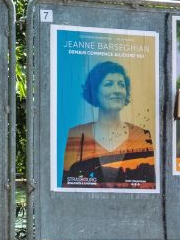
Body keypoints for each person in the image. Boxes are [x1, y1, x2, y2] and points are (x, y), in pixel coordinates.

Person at [61, 60, 155, 188]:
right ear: (94, 91)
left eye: (121, 85)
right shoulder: (76, 134)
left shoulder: (143, 134)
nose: (117, 90)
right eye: (109, 84)